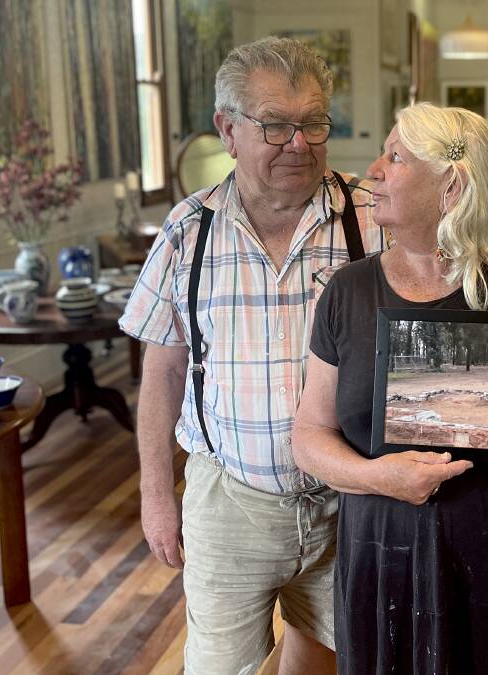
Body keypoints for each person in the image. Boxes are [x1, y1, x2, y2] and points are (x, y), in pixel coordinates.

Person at [291, 103, 488, 674]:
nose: (373, 169)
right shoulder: (347, 291)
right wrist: (376, 476)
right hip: (384, 555)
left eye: (395, 157)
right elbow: (309, 434)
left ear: (453, 185)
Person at [119, 37, 384, 675]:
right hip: (227, 500)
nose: (299, 143)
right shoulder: (188, 231)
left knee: (335, 658)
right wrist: (157, 495)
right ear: (228, 131)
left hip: (351, 500)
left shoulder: (372, 221)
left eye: (314, 123)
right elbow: (162, 375)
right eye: (275, 125)